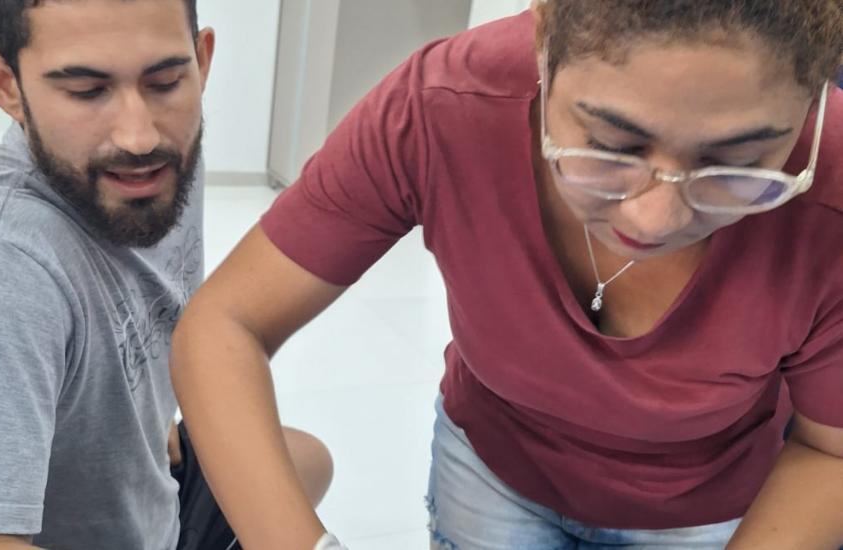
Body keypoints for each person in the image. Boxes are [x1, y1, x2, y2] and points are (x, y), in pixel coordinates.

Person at [171, 1, 843, 548]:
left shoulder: (831, 193)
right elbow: (227, 322)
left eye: (737, 164)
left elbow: (830, 449)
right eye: (608, 146)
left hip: (710, 507)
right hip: (492, 471)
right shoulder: (445, 106)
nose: (655, 217)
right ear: (543, 44)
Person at [0, 0, 333, 548]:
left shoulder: (161, 165)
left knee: (309, 460)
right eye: (87, 91)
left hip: (146, 497)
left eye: (165, 82)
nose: (138, 136)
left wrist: (152, 414)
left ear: (202, 62)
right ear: (6, 85)